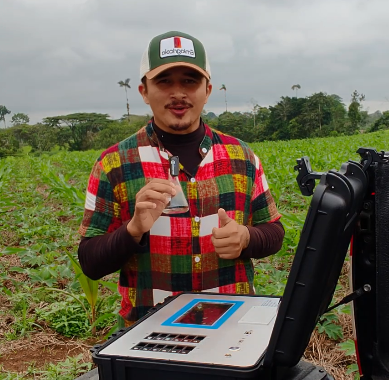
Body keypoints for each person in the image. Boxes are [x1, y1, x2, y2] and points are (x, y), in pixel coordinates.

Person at [79, 30, 284, 324]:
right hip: (149, 330)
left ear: (207, 90)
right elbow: (90, 261)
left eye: (190, 81)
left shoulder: (242, 157)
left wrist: (246, 237)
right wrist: (133, 229)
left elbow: (274, 232)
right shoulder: (115, 163)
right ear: (144, 92)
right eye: (164, 81)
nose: (178, 93)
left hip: (233, 323)